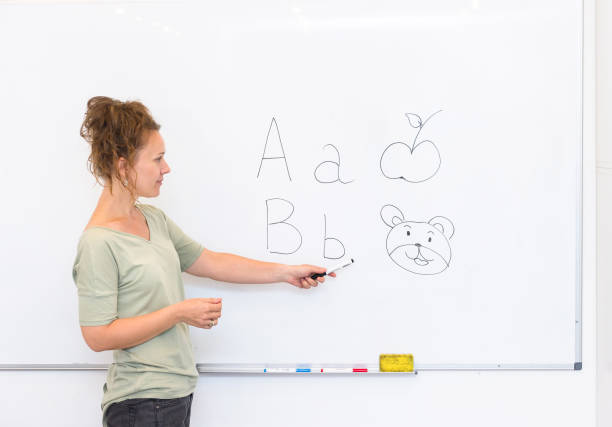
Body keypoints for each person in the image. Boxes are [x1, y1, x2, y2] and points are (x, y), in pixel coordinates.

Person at [72, 96, 334, 427]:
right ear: (124, 166)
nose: (166, 168)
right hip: (140, 403)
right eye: (158, 158)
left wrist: (286, 272)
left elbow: (210, 261)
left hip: (172, 395)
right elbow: (97, 336)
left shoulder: (153, 219)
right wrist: (179, 312)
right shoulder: (99, 242)